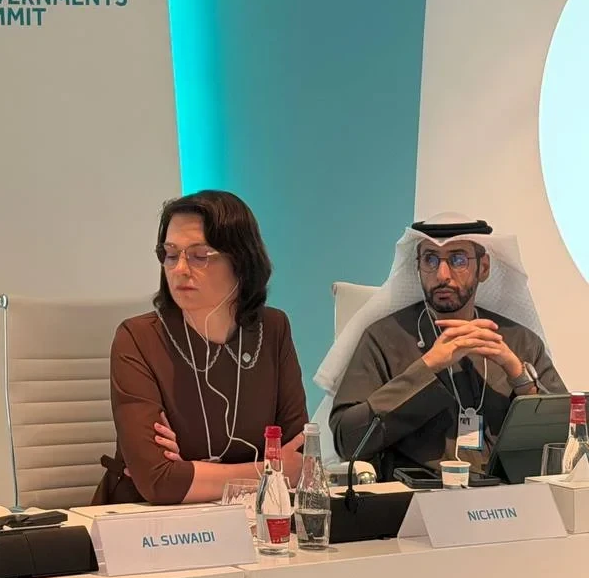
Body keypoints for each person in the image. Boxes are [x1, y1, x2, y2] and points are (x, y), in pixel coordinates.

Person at [93, 191, 309, 506]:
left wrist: (192, 472)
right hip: (145, 522)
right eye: (170, 254)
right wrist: (269, 470)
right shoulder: (137, 338)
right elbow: (159, 482)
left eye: (199, 255)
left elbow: (299, 458)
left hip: (248, 519)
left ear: (241, 260)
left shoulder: (273, 329)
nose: (179, 268)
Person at [321, 214, 564, 479]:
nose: (442, 275)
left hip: (508, 494)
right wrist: (426, 368)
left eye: (458, 259)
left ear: (483, 268)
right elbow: (347, 441)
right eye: (430, 259)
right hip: (414, 495)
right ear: (418, 267)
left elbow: (566, 441)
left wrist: (520, 377)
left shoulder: (520, 342)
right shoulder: (384, 339)